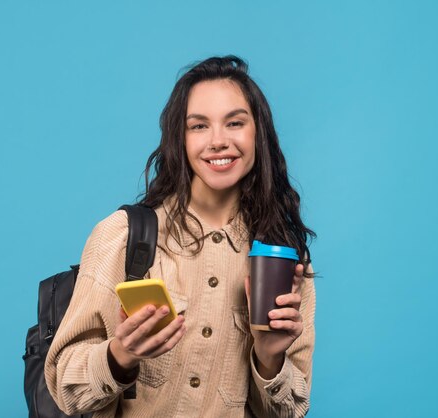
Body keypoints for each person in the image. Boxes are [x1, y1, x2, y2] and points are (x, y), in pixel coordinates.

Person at [45, 56, 316, 418]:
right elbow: (66, 389)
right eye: (199, 126)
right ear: (180, 138)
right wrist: (120, 355)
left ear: (258, 133)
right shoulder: (123, 236)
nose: (218, 141)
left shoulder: (284, 258)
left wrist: (269, 357)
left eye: (235, 122)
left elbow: (289, 412)